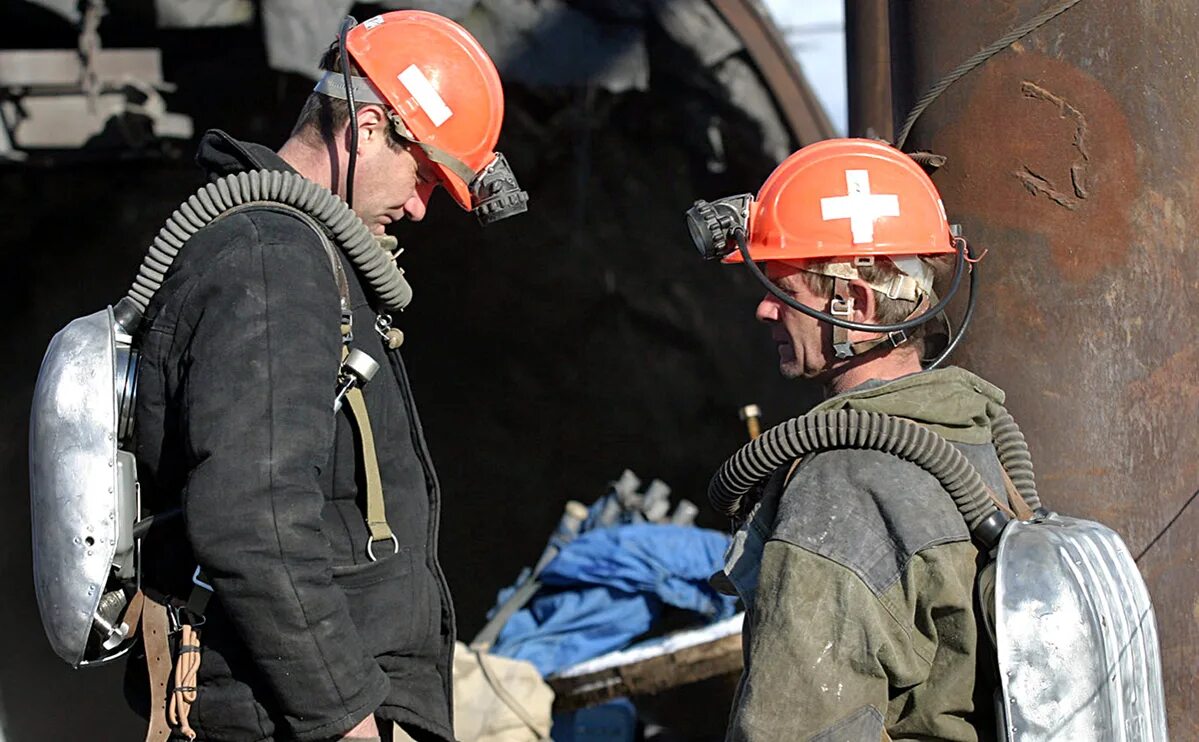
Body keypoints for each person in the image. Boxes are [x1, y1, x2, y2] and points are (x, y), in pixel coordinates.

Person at [125, 11, 524, 741]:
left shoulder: (299, 251)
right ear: (368, 128)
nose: (416, 206)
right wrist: (347, 720)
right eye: (424, 175)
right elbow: (253, 520)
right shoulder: (271, 260)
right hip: (283, 719)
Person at [688, 138, 1012, 741]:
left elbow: (796, 730)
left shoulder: (840, 490)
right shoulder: (975, 436)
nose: (764, 310)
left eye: (783, 287)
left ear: (855, 304)